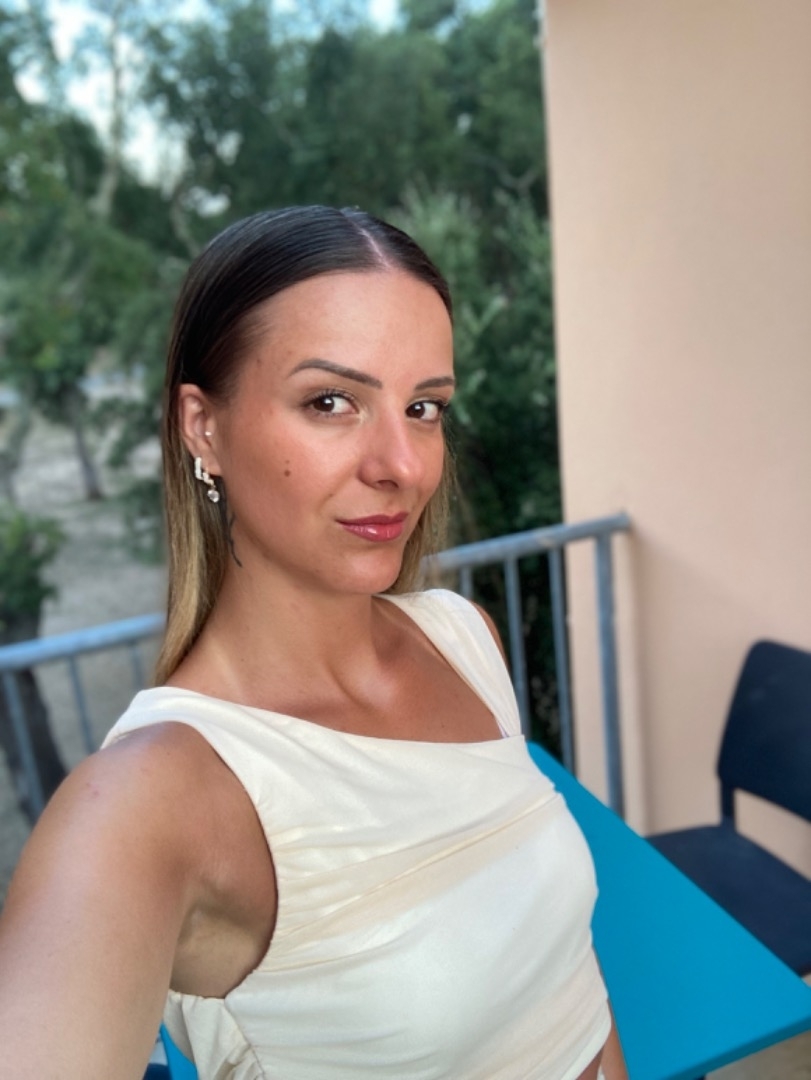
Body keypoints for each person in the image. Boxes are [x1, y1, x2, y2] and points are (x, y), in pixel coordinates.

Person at [0, 206, 627, 1079]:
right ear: (202, 426)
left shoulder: (462, 639)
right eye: (331, 402)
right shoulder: (148, 802)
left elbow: (569, 986)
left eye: (423, 407)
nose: (401, 464)